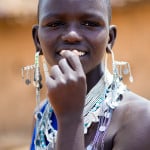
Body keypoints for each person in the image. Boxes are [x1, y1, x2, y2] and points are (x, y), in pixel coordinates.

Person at [27, 0, 150, 149]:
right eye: (55, 24)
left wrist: (70, 119)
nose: (72, 36)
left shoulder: (139, 118)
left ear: (110, 38)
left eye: (89, 24)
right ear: (37, 39)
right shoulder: (42, 114)